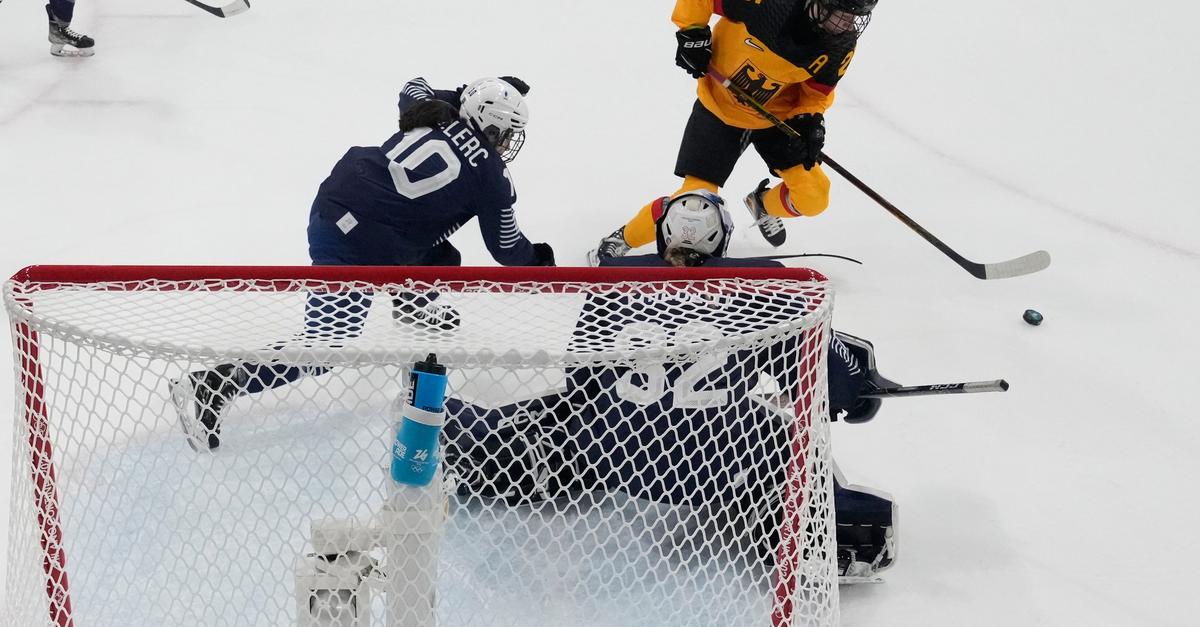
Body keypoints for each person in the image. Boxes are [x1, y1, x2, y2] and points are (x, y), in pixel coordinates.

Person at [446, 191, 897, 579]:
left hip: (610, 459)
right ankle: (818, 528)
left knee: (561, 414)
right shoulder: (766, 285)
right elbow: (829, 383)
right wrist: (857, 386)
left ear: (662, 235)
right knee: (787, 436)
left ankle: (473, 441)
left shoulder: (612, 280)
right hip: (715, 472)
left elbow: (579, 379)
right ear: (720, 238)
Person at [169, 76, 554, 451]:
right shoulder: (492, 175)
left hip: (338, 199)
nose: (506, 145)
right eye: (505, 134)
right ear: (491, 126)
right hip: (355, 241)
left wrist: (462, 93)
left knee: (441, 258)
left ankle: (410, 305)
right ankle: (215, 383)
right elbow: (506, 247)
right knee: (328, 347)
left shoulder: (439, 113)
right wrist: (541, 262)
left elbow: (411, 86)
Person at [588, 0, 877, 265]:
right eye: (841, 13)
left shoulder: (839, 44)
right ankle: (622, 238)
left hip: (774, 120)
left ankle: (763, 205)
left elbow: (816, 94)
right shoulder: (769, 4)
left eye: (855, 16)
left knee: (814, 196)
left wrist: (810, 121)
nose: (848, 23)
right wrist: (693, 32)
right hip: (719, 110)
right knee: (692, 207)